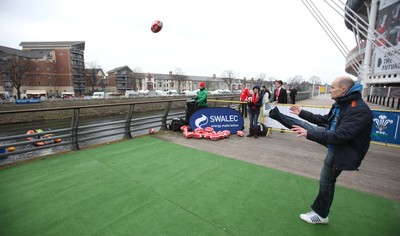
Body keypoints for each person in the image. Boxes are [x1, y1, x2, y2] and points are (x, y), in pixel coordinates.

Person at [266, 76, 373, 224]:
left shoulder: (357, 109)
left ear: (344, 89)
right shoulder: (342, 104)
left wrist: (310, 134)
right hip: (333, 142)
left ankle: (321, 215)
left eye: (333, 87)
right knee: (302, 125)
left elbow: (341, 135)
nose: (330, 90)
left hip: (341, 150)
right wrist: (302, 113)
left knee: (326, 182)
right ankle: (274, 113)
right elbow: (325, 120)